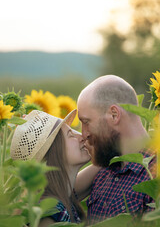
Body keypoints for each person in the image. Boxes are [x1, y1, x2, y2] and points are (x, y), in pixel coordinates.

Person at [77, 75, 156, 224]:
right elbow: (58, 195)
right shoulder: (104, 169)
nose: (84, 133)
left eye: (86, 122)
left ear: (114, 115)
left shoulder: (154, 174)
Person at [10, 109, 100, 226]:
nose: (82, 136)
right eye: (71, 135)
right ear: (53, 152)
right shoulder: (47, 213)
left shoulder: (61, 193)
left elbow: (104, 162)